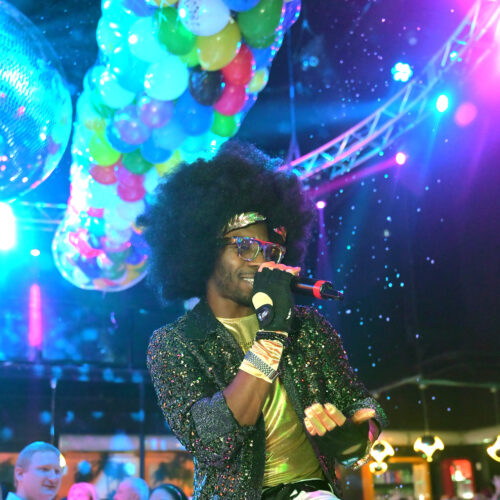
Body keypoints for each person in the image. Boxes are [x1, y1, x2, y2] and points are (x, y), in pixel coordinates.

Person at [142, 141, 387, 499]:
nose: (260, 261)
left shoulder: (309, 327)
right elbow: (211, 441)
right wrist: (271, 334)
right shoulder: (175, 342)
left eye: (270, 251)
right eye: (245, 247)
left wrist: (353, 436)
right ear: (203, 251)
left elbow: (362, 406)